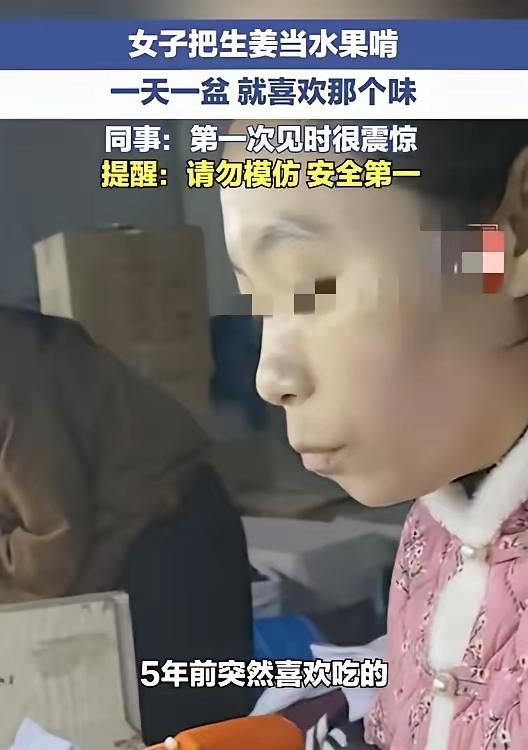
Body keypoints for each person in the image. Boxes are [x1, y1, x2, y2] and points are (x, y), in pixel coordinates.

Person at [220, 120, 528, 748]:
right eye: (260, 301)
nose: (269, 378)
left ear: (509, 235)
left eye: (310, 287)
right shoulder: (433, 526)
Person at [0, 307, 254, 739]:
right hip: (108, 542)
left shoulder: (14, 367)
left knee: (190, 720)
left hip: (169, 540)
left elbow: (52, 546)